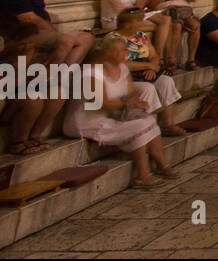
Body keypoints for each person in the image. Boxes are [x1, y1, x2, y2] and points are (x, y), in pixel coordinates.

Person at [0, 0, 94, 156]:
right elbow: (8, 86)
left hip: (34, 47)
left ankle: (34, 137)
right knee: (33, 98)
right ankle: (17, 142)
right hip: (12, 94)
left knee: (59, 92)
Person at [62, 34, 179, 187]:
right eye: (121, 50)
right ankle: (142, 175)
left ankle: (161, 165)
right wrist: (128, 104)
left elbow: (130, 92)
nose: (126, 53)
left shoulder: (122, 68)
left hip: (108, 116)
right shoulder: (91, 73)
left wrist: (137, 102)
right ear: (107, 53)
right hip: (85, 122)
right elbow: (100, 104)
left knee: (148, 120)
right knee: (139, 126)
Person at [113, 13, 187, 137]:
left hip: (145, 71)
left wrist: (152, 68)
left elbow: (154, 56)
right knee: (147, 88)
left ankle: (167, 124)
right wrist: (148, 66)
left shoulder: (142, 36)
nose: (142, 23)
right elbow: (120, 64)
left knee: (165, 81)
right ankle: (140, 130)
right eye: (138, 21)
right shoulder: (114, 39)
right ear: (127, 24)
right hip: (126, 76)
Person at [143, 0, 200, 71]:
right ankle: (171, 59)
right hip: (167, 9)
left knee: (195, 25)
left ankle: (191, 59)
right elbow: (149, 3)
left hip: (184, 9)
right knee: (176, 26)